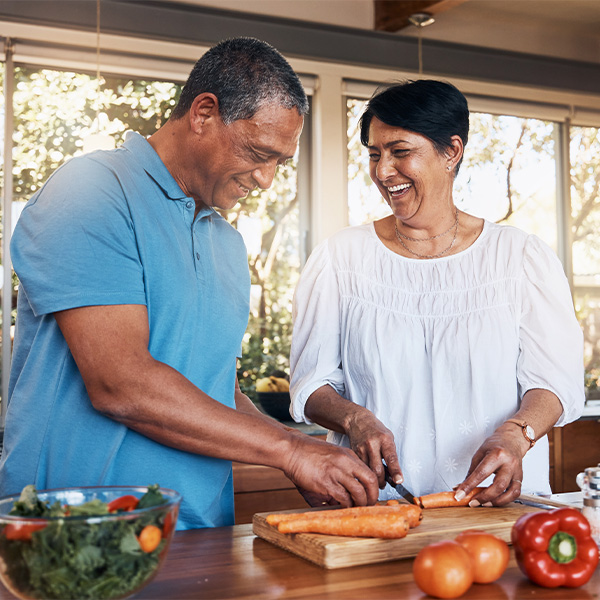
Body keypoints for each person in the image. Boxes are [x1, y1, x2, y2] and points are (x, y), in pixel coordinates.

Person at [0, 37, 380, 529]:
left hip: (201, 533)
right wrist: (289, 450)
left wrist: (306, 453)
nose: (266, 180)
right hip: (77, 534)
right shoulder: (92, 191)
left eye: (279, 163)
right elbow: (121, 383)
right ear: (203, 113)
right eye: (258, 152)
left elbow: (219, 392)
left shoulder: (228, 245)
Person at [289, 79, 584, 506]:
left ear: (452, 152)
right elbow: (310, 384)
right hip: (378, 507)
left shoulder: (519, 257)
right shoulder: (340, 259)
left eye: (400, 152)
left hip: (496, 506)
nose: (383, 171)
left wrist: (518, 434)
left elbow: (555, 382)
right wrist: (355, 418)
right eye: (374, 154)